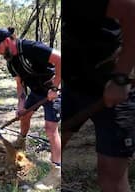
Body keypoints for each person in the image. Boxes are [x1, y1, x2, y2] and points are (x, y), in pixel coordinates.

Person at [62, 0, 135, 191]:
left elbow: (131, 10)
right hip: (73, 83)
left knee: (111, 176)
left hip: (109, 82)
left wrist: (121, 77)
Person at [0, 27, 61, 190]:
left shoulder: (31, 47)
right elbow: (20, 85)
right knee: (24, 116)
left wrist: (55, 88)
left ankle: (56, 171)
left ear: (7, 41)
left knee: (50, 129)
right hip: (36, 92)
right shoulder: (11, 63)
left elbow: (60, 59)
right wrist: (21, 104)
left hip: (52, 89)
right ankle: (21, 141)